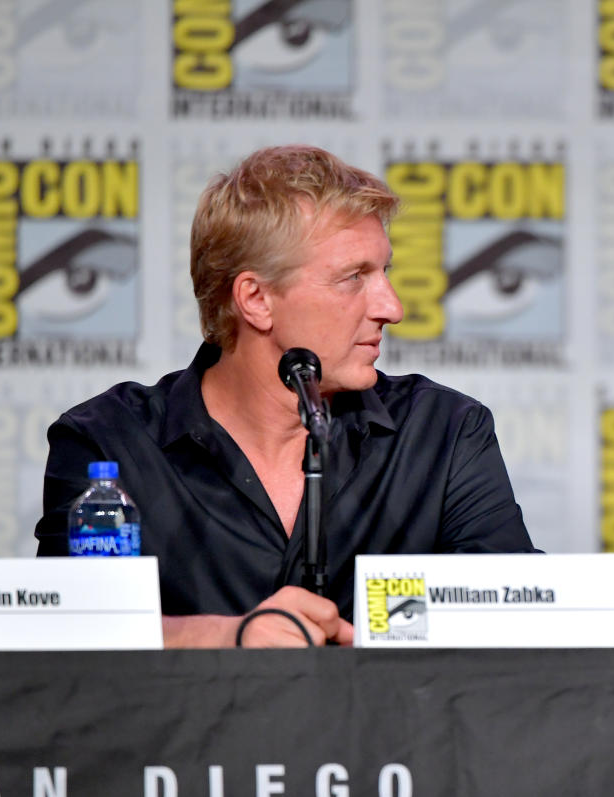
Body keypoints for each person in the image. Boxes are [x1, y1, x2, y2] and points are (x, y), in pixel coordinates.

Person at [36, 145, 535, 647]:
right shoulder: (109, 444)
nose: (393, 307)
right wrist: (230, 637)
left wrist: (378, 635)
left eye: (386, 272)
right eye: (354, 277)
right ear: (255, 299)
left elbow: (519, 617)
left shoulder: (443, 433)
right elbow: (62, 634)